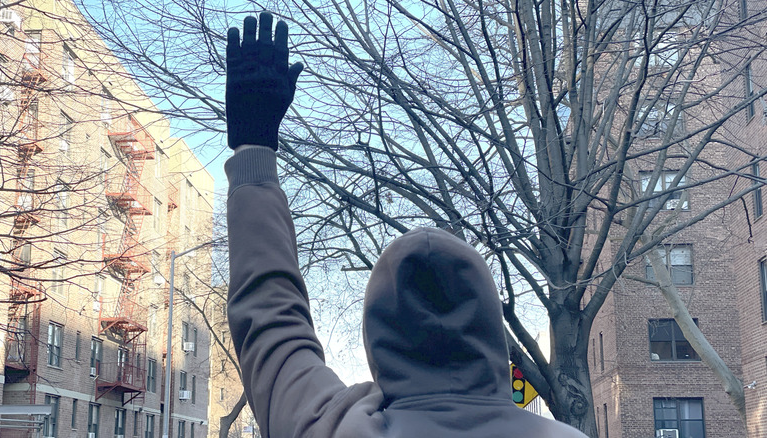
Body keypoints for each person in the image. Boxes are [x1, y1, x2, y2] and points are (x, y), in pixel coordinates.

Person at [225, 12, 589, 438]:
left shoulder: (334, 430)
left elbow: (272, 323)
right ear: (490, 326)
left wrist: (255, 149)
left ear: (379, 335)